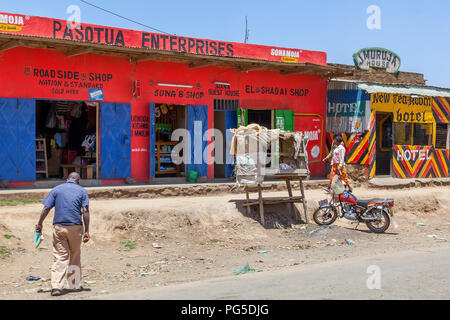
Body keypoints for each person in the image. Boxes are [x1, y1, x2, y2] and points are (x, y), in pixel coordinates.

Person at [35, 172, 90, 296]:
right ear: (78, 181)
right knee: (75, 255)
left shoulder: (57, 189)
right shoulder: (82, 191)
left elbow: (46, 208)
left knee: (60, 256)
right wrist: (87, 230)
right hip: (75, 227)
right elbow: (85, 211)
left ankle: (56, 287)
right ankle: (74, 285)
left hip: (59, 227)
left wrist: (40, 223)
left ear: (67, 179)